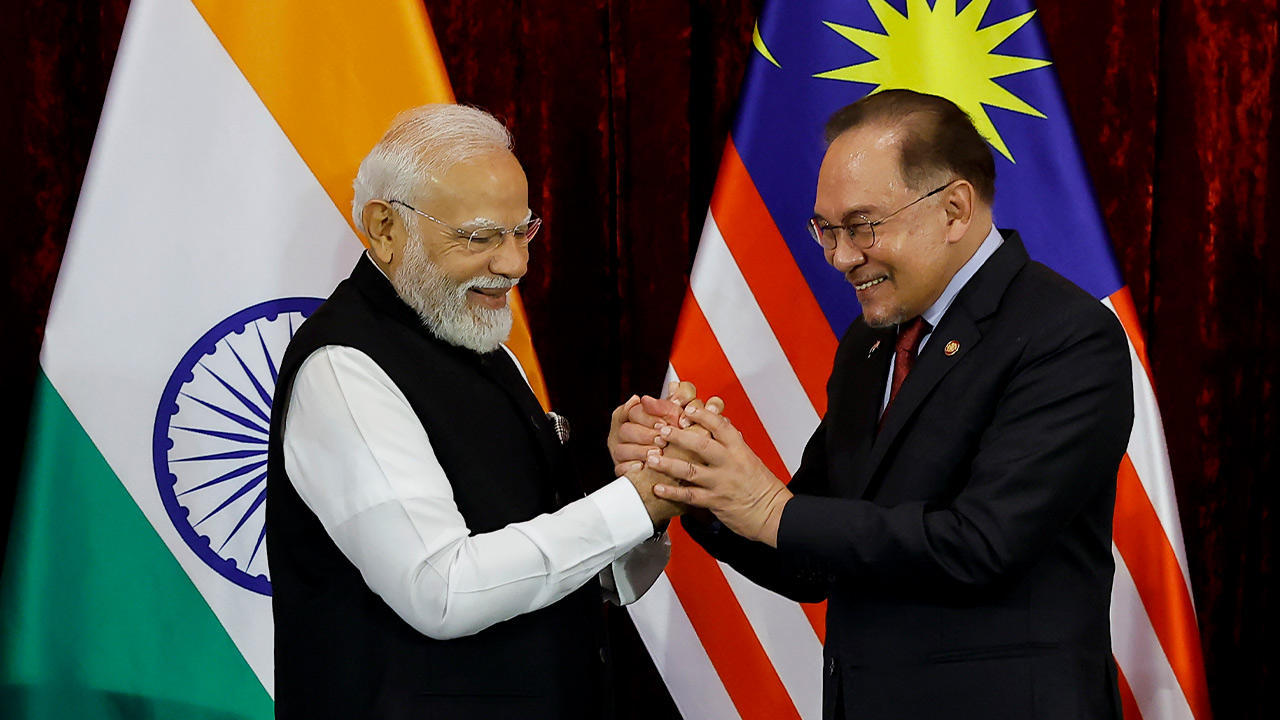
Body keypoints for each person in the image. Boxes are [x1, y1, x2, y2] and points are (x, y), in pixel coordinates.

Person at [628, 90, 1135, 719]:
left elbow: (981, 545)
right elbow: (812, 556)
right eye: (826, 229)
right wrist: (697, 483)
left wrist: (770, 509)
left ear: (954, 209)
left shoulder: (1066, 334)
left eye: (863, 225)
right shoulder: (871, 345)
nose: (841, 257)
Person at [265, 104, 691, 720]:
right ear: (385, 228)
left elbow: (572, 576)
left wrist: (649, 491)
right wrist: (631, 505)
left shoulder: (479, 341)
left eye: (523, 231)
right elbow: (440, 590)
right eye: (481, 237)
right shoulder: (343, 368)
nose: (515, 264)